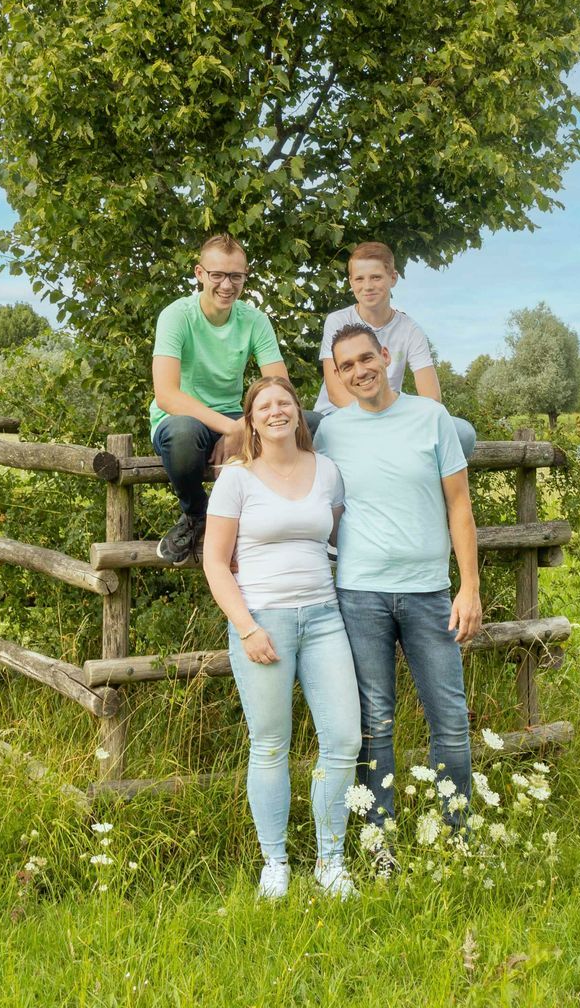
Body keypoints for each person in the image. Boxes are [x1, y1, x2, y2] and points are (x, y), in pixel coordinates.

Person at [314, 321, 481, 869]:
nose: (359, 371)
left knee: (450, 720)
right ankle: (378, 842)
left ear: (385, 356)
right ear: (337, 376)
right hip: (360, 594)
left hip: (429, 592)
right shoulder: (331, 433)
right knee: (375, 723)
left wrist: (469, 587)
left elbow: (459, 505)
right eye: (346, 366)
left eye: (366, 358)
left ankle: (457, 835)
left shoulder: (432, 418)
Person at [202, 377, 360, 900]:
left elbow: (334, 537)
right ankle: (276, 863)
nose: (276, 412)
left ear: (298, 412)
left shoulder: (327, 471)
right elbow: (215, 563)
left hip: (324, 618)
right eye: (264, 406)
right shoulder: (236, 478)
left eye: (284, 403)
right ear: (250, 421)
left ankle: (331, 861)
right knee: (270, 744)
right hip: (262, 620)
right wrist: (246, 627)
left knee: (344, 740)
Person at [150, 234, 298, 564]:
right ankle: (196, 514)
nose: (227, 285)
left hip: (234, 415)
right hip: (182, 418)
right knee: (183, 434)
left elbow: (281, 390)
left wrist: (245, 423)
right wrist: (234, 429)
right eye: (217, 275)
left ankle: (290, 516)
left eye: (235, 276)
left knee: (313, 425)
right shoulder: (176, 315)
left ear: (245, 276)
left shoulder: (255, 320)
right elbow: (166, 395)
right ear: (199, 273)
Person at [314, 241, 475, 459]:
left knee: (463, 433)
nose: (367, 286)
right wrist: (378, 422)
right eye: (359, 279)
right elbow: (336, 393)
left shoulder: (410, 330)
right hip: (340, 414)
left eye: (376, 277)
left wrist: (394, 421)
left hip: (393, 415)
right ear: (351, 282)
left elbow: (431, 398)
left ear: (393, 278)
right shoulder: (337, 321)